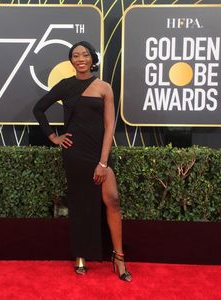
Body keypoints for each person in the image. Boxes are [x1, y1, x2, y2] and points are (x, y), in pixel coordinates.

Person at [33, 41, 132, 282]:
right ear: (71, 61)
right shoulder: (66, 86)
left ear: (92, 58)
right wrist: (53, 137)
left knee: (113, 200)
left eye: (85, 54)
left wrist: (103, 162)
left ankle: (118, 257)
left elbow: (110, 126)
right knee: (79, 204)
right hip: (75, 153)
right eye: (75, 55)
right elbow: (39, 109)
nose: (81, 59)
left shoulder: (104, 87)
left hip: (100, 153)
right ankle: (80, 256)